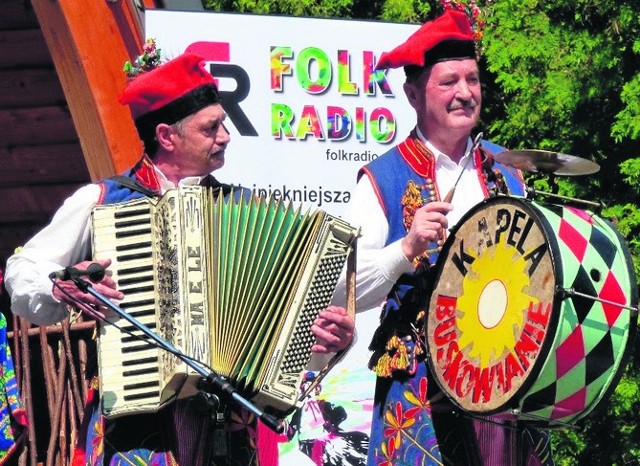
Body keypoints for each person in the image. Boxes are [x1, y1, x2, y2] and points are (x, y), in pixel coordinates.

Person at [4, 42, 354, 466]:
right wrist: (61, 287)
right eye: (211, 128)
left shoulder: (242, 211)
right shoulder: (104, 201)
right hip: (137, 430)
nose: (226, 137)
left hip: (228, 429)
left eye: (223, 124)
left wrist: (322, 344)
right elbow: (22, 270)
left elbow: (279, 342)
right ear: (167, 136)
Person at [340, 7, 555, 466]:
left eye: (472, 80)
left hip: (508, 385)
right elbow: (345, 291)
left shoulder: (509, 169)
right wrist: (406, 249)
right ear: (413, 93)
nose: (464, 93)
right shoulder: (384, 178)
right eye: (449, 81)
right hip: (422, 391)